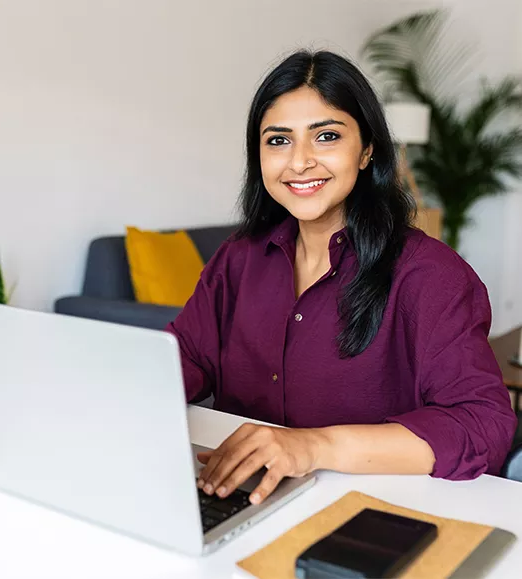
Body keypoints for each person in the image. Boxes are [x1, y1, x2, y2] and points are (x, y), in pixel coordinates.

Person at [166, 50, 516, 507]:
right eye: (278, 141)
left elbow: (482, 424)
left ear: (367, 149)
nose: (299, 162)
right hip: (235, 496)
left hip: (369, 514)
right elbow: (186, 357)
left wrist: (314, 446)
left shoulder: (431, 276)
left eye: (326, 136)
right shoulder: (239, 257)